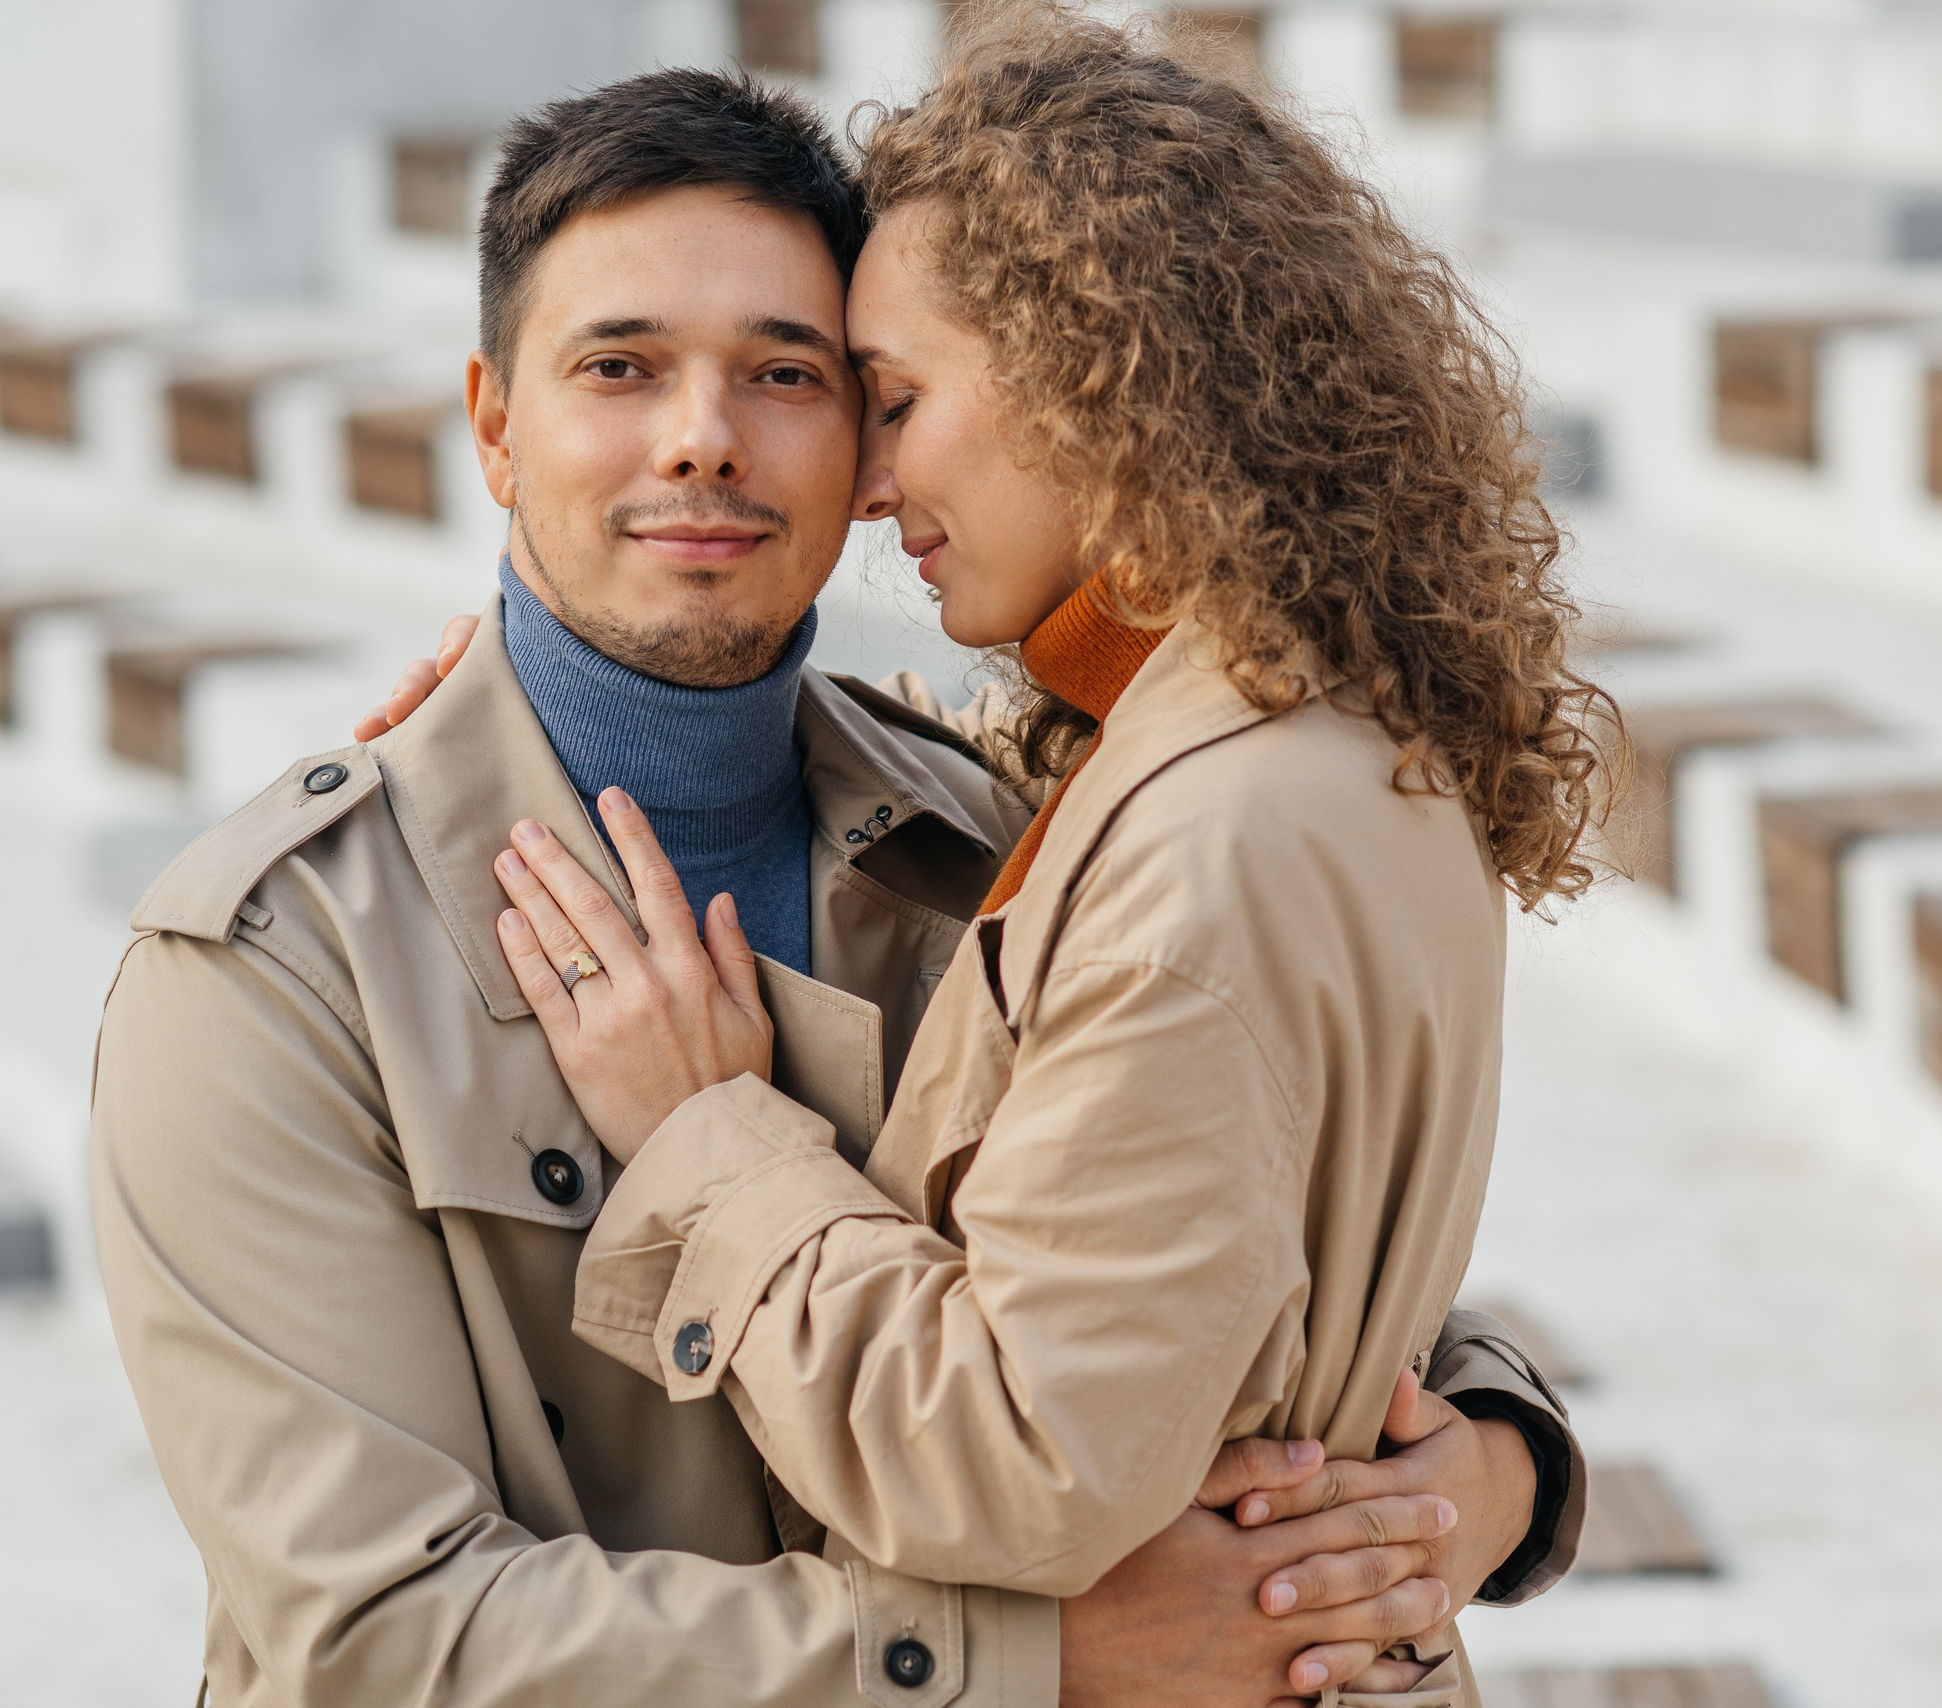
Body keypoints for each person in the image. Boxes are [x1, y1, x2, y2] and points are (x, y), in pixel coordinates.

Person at [94, 68, 1579, 1708]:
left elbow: (1232, 1256)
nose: (704, 438)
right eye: (619, 366)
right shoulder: (272, 971)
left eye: (795, 375)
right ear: (496, 425)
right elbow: (374, 1648)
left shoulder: (1009, 827)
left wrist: (1491, 1464)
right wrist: (1040, 1659)